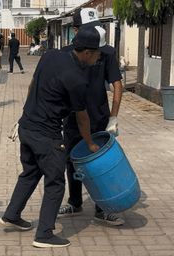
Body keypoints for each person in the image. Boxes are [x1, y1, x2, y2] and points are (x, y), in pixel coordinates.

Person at [0, 25, 114, 248]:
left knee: (30, 172)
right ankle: (44, 234)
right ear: (88, 52)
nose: (99, 57)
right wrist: (89, 143)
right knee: (55, 183)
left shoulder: (51, 54)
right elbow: (82, 118)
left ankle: (11, 215)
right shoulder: (77, 78)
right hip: (47, 135)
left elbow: (32, 85)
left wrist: (31, 111)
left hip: (26, 126)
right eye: (99, 53)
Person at [58, 8, 124, 226]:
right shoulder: (65, 53)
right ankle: (75, 202)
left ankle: (101, 208)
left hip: (98, 118)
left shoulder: (106, 52)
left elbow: (116, 83)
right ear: (75, 31)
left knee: (100, 164)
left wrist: (113, 117)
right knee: (72, 162)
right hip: (71, 117)